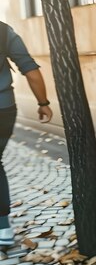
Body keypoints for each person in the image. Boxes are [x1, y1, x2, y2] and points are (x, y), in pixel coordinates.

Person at [0, 21, 53, 246]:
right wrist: (43, 102)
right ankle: (3, 228)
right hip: (3, 109)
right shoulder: (3, 31)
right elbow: (30, 70)